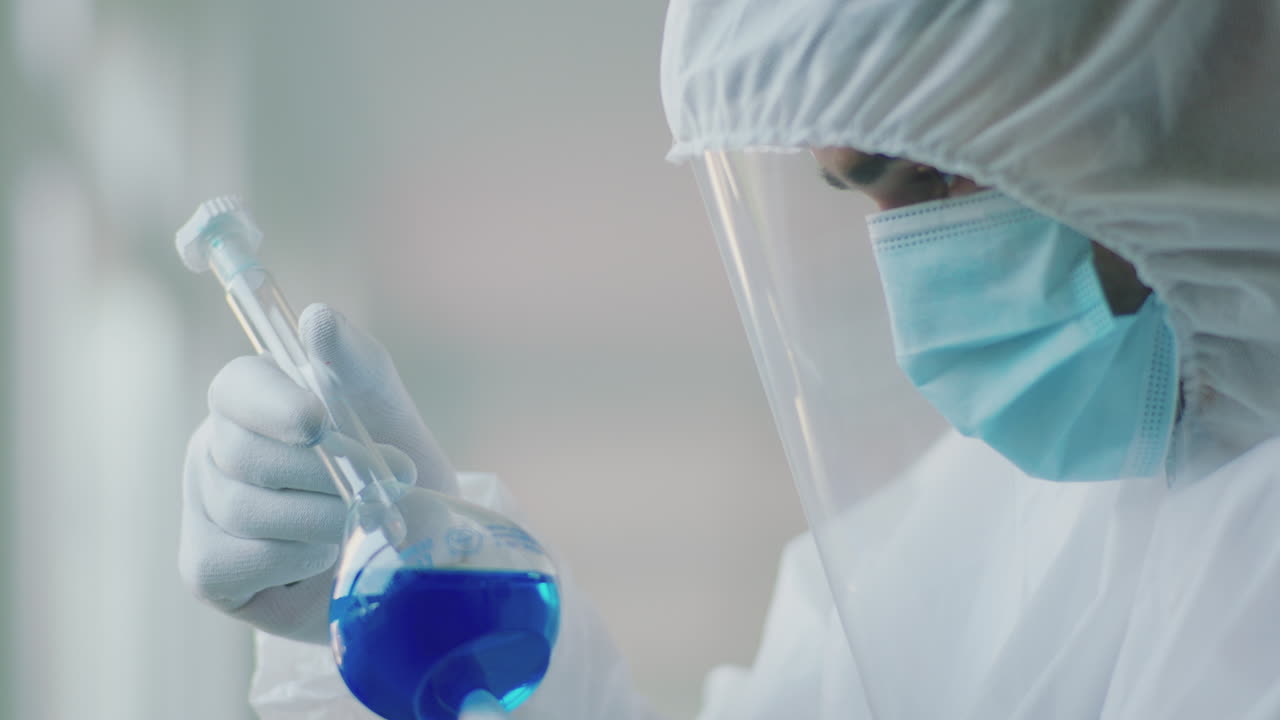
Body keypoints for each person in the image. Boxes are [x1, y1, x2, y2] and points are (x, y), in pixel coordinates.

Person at [179, 0, 1280, 718]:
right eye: (861, 196)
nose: (914, 285)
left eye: (929, 172)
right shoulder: (996, 534)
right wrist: (406, 650)